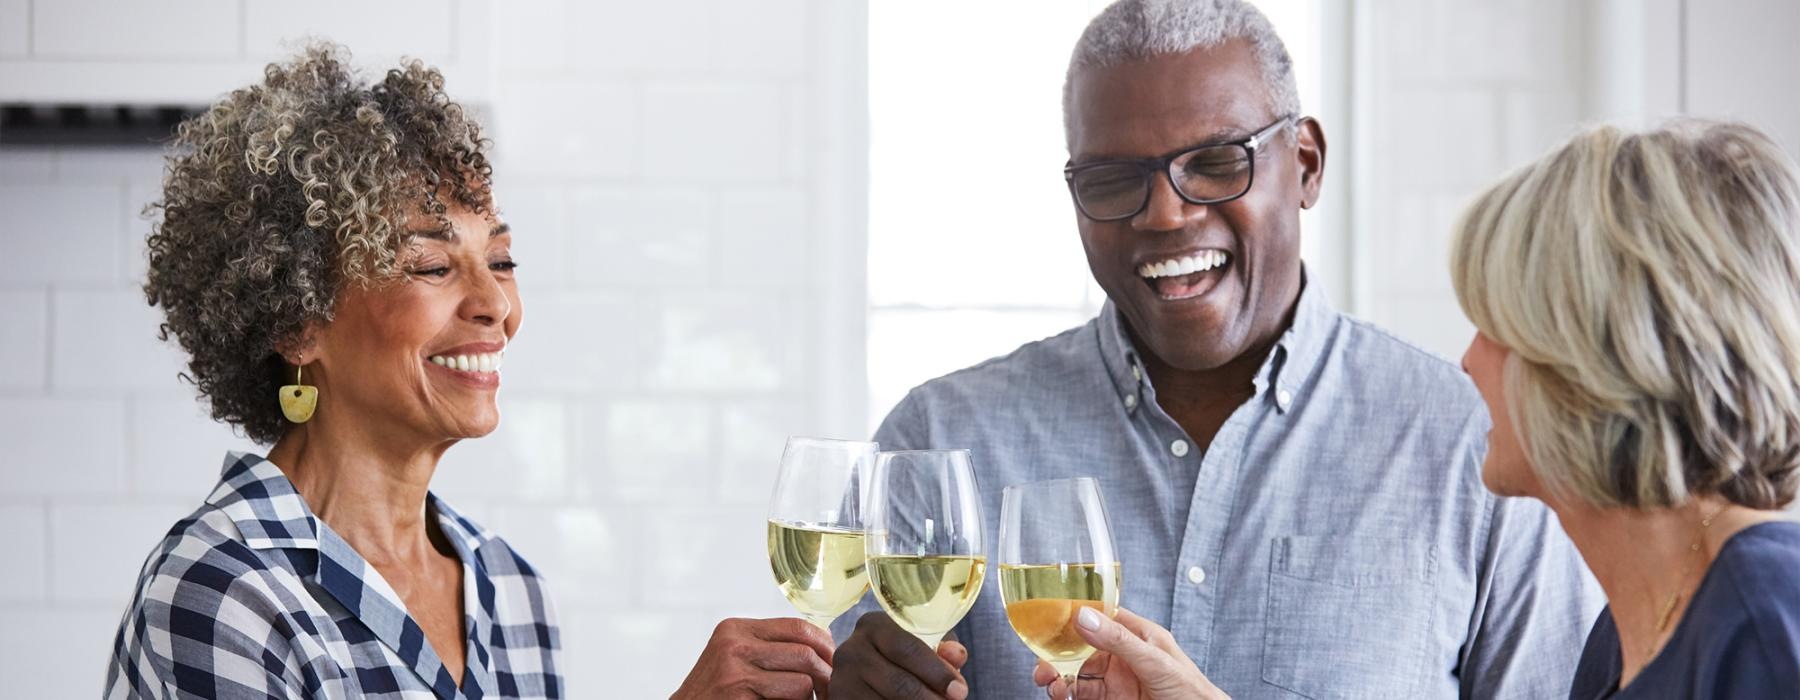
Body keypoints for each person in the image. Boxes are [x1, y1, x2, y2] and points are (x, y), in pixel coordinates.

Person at [829, 1, 1600, 698]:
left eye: (1216, 162)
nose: (1165, 215)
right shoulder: (941, 443)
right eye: (1111, 179)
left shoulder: (1478, 445)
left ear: (1305, 165)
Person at [105, 43, 833, 699]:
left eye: (502, 260)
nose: (494, 305)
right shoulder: (226, 592)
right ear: (297, 321)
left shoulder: (511, 592)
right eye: (431, 265)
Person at [1451, 120, 1800, 699]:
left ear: (1587, 356)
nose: (1468, 360)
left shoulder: (1765, 615)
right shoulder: (1620, 634)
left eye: (1495, 328)